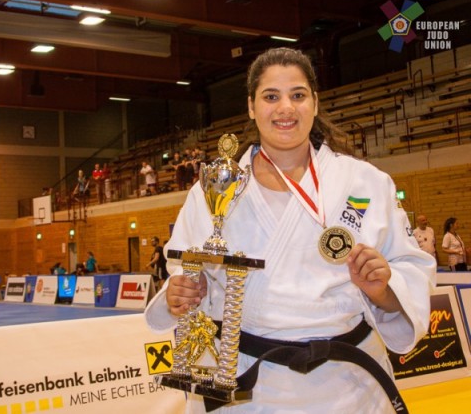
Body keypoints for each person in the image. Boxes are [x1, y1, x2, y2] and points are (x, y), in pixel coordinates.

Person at [144, 47, 435, 413]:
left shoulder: (366, 182)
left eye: (298, 95)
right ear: (251, 107)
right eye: (271, 97)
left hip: (348, 385)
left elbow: (412, 269)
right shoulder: (214, 185)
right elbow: (184, 267)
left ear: (315, 102)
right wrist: (183, 290)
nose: (285, 108)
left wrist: (383, 289)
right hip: (249, 385)